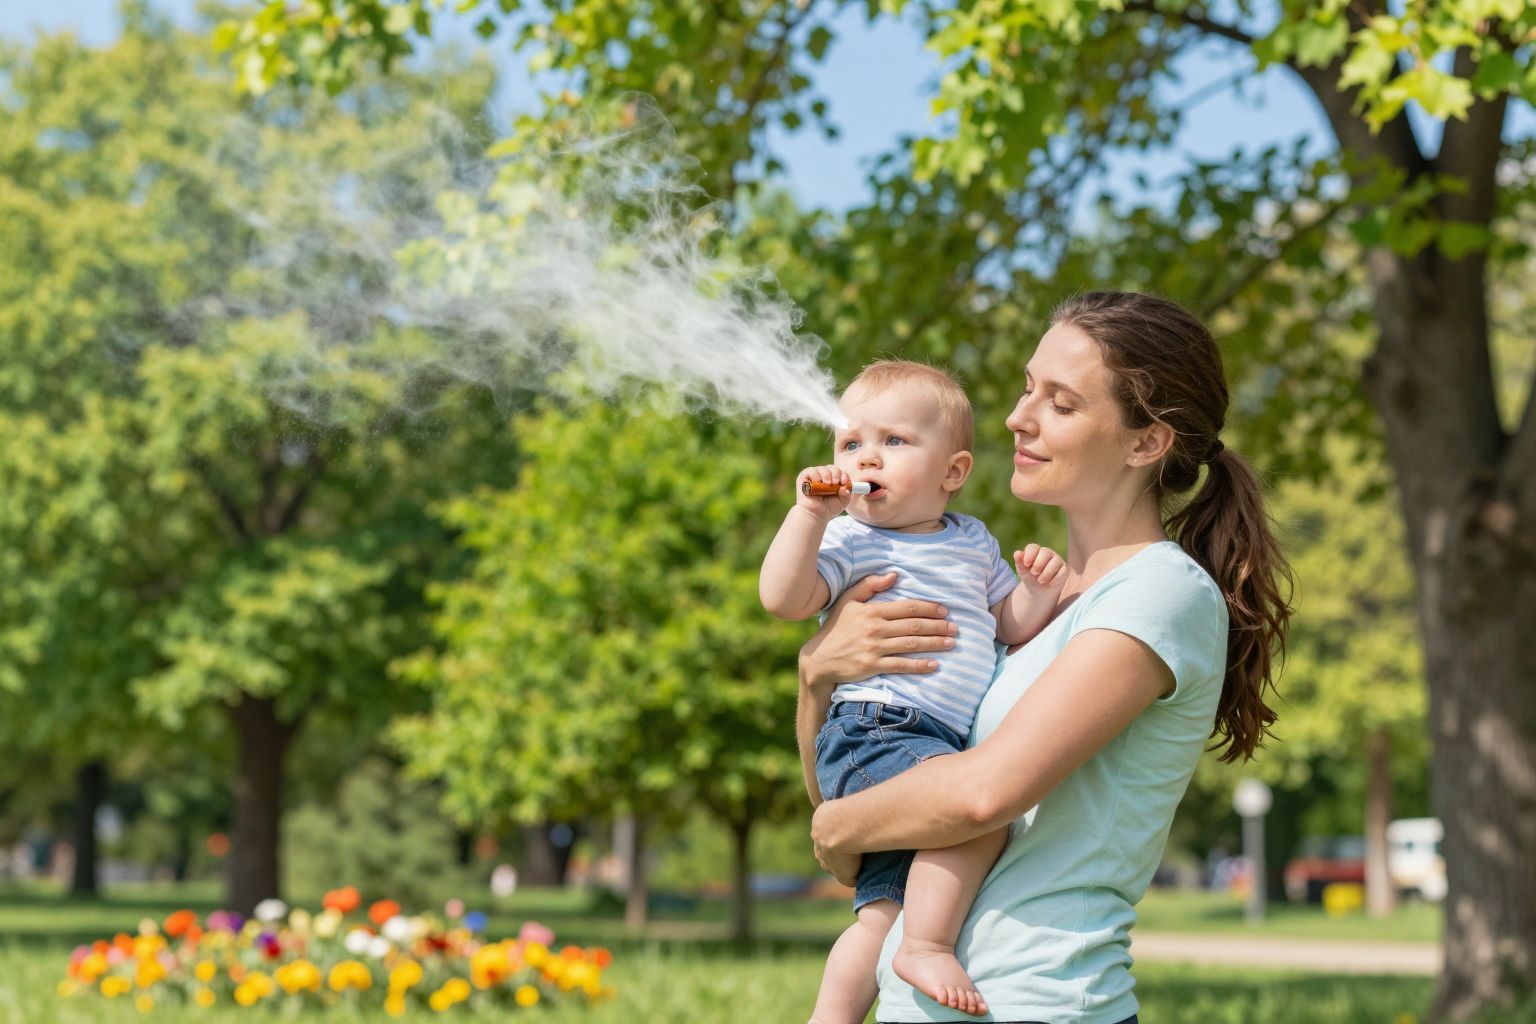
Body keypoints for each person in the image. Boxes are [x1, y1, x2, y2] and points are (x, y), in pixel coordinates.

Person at [799, 292, 1292, 1024]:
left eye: (1060, 403)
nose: (1017, 418)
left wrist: (835, 831)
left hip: (1037, 1003)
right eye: (1029, 387)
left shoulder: (1158, 594)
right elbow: (854, 791)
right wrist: (817, 678)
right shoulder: (1020, 609)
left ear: (1145, 442)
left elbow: (977, 797)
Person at [760, 360, 1068, 1022]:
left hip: (923, 741)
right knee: (976, 813)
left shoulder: (974, 542)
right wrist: (807, 515)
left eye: (893, 441)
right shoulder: (851, 538)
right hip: (875, 733)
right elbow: (783, 599)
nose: (865, 455)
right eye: (850, 443)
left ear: (952, 472)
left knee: (878, 915)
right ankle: (927, 947)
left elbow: (1008, 625)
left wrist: (1040, 592)